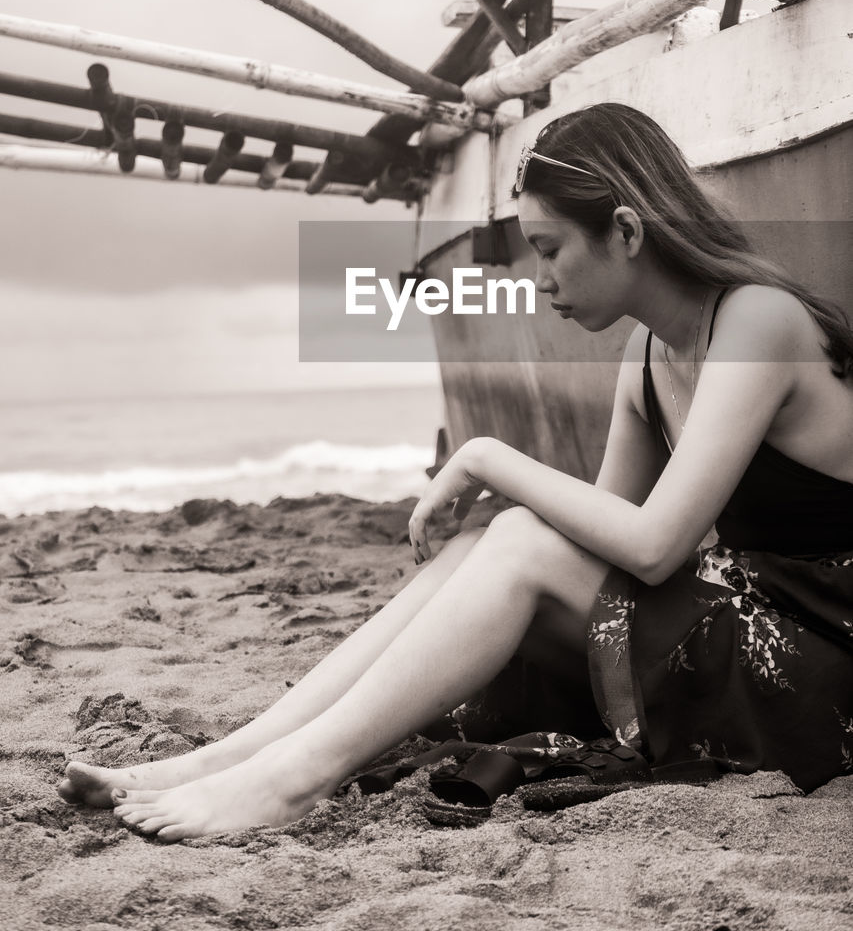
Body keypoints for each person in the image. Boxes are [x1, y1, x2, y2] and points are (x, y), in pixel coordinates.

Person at [60, 103, 853, 841]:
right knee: (496, 541)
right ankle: (226, 760)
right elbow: (601, 546)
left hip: (827, 663)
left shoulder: (757, 318)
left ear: (624, 230)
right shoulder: (646, 353)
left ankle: (292, 781)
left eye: (549, 250)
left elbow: (652, 545)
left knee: (514, 534)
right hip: (755, 627)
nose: (539, 280)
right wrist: (498, 513)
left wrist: (484, 456)